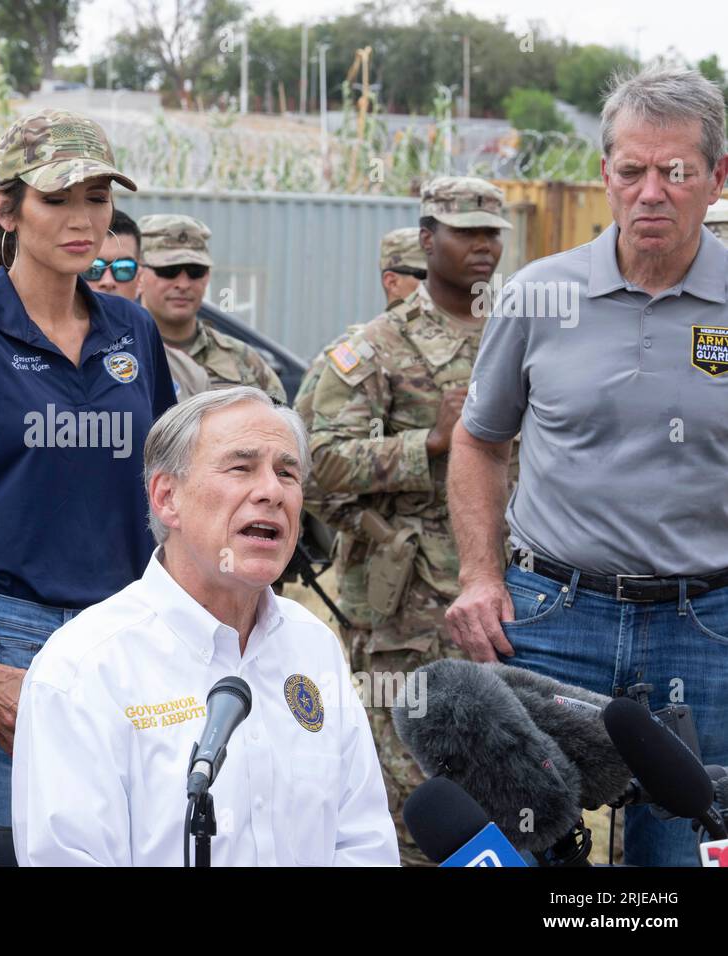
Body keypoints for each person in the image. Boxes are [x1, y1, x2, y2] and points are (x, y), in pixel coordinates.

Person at [447, 66, 728, 867]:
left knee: (681, 855)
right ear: (604, 173)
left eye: (675, 171)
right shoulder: (538, 296)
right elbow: (478, 439)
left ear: (716, 178)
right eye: (631, 170)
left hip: (702, 630)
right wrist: (479, 576)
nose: (650, 192)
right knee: (525, 845)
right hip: (550, 620)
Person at [0, 108, 177, 840]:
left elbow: (171, 487)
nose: (84, 220)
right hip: (15, 638)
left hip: (131, 634)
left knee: (138, 844)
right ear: (6, 208)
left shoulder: (132, 329)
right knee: (12, 848)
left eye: (97, 199)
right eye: (57, 198)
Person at [11, 386, 398, 866]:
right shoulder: (84, 668)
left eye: (287, 473)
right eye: (241, 467)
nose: (272, 492)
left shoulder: (314, 646)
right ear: (167, 497)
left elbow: (363, 844)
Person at [307, 176, 513, 866]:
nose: (483, 245)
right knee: (411, 804)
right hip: (409, 617)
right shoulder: (376, 348)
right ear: (429, 240)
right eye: (466, 231)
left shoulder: (526, 332)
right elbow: (316, 465)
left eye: (493, 231)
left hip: (521, 602)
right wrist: (424, 445)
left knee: (511, 791)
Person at [295, 226, 427, 534]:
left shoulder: (473, 352)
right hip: (385, 561)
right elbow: (304, 462)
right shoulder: (356, 355)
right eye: (425, 278)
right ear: (392, 282)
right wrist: (368, 527)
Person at [136, 213, 286, 404]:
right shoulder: (119, 353)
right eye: (169, 271)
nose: (183, 284)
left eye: (195, 271)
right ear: (139, 274)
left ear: (207, 276)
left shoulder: (244, 362)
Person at [85, 208, 207, 399]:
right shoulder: (31, 360)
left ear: (140, 278)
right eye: (93, 268)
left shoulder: (186, 373)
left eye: (123, 269)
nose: (107, 281)